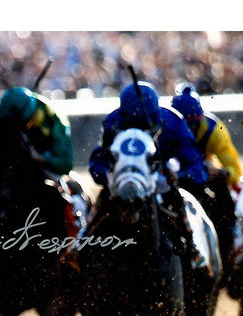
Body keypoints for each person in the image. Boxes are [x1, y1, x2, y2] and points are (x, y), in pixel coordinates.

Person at [88, 80, 211, 268]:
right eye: (130, 124)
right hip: (121, 184)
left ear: (155, 118)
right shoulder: (112, 122)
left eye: (142, 125)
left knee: (177, 199)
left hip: (159, 180)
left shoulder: (174, 122)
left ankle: (191, 244)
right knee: (103, 199)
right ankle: (83, 240)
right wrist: (109, 174)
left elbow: (197, 166)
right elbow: (97, 164)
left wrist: (179, 175)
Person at [0, 86, 89, 235]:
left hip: (42, 173)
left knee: (59, 200)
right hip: (3, 175)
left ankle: (74, 239)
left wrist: (40, 157)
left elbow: (65, 164)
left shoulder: (52, 117)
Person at [171, 83, 240, 269]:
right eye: (185, 126)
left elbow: (234, 169)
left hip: (203, 179)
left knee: (221, 189)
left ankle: (230, 235)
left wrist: (221, 173)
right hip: (175, 177)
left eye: (193, 125)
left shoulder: (213, 129)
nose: (189, 131)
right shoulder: (166, 127)